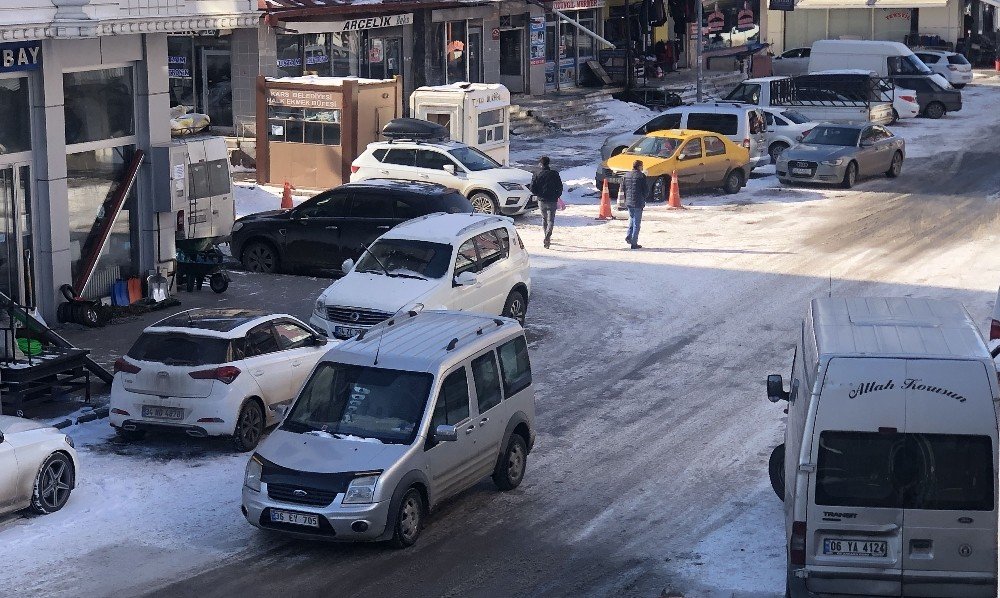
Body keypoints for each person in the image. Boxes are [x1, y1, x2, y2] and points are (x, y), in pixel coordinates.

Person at [529, 156, 563, 249]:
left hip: (541, 200)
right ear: (549, 163)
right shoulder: (554, 174)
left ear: (540, 164)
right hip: (552, 200)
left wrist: (538, 194)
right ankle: (548, 236)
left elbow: (532, 188)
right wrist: (557, 195)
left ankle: (546, 236)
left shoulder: (537, 174)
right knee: (551, 220)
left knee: (544, 219)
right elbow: (560, 187)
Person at [621, 160, 649, 249]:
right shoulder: (641, 176)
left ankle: (629, 236)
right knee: (637, 223)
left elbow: (623, 188)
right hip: (638, 201)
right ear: (639, 166)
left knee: (632, 219)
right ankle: (634, 243)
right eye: (642, 166)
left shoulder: (626, 175)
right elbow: (646, 190)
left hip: (629, 201)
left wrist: (626, 199)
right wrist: (644, 198)